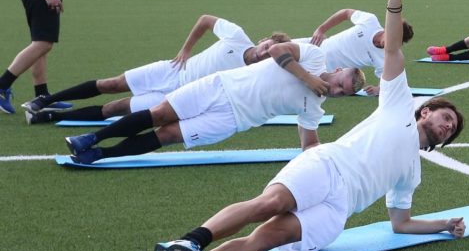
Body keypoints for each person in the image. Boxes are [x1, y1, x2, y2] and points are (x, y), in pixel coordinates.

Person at [153, 0, 465, 251]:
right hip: (328, 166)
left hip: (338, 210)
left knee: (269, 237)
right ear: (426, 111)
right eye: (447, 117)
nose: (447, 126)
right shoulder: (397, 103)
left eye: (451, 129)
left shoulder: (413, 173)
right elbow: (391, 50)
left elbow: (401, 223)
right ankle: (190, 240)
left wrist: (444, 225)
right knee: (269, 204)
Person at [64, 41, 364, 164]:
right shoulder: (313, 56)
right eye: (340, 83)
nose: (337, 90)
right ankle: (91, 137)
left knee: (167, 134)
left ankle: (100, 154)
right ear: (338, 71)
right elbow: (277, 52)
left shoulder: (314, 108)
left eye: (343, 93)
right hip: (221, 86)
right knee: (158, 113)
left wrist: (332, 156)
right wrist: (308, 78)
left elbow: (309, 144)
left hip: (231, 119)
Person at [23, 15, 286, 124]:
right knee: (111, 84)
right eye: (268, 46)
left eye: (271, 55)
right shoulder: (237, 36)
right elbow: (205, 20)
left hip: (176, 97)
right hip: (172, 70)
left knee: (115, 109)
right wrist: (186, 49)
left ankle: (49, 117)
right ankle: (46, 100)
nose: (266, 52)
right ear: (263, 40)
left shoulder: (254, 75)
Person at [299, 8, 413, 95]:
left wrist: (379, 89)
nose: (391, 43)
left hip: (319, 72)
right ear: (389, 29)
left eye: (396, 42)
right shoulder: (370, 21)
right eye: (392, 37)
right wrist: (321, 30)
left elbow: (387, 78)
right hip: (312, 45)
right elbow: (346, 13)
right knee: (281, 45)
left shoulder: (384, 57)